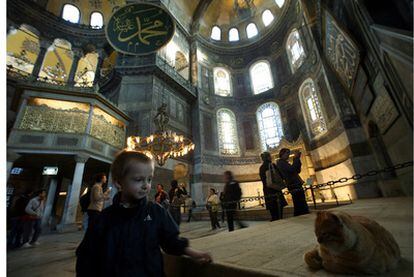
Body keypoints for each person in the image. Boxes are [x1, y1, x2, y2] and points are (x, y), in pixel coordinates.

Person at [76, 150, 212, 276]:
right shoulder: (103, 219)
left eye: (149, 179)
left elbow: (171, 241)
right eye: (138, 179)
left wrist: (194, 253)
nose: (146, 185)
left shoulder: (157, 212)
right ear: (118, 182)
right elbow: (86, 260)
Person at [276, 148, 309, 216]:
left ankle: (302, 213)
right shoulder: (281, 163)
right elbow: (292, 169)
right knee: (298, 201)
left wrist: (297, 159)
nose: (288, 155)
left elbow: (297, 171)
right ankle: (300, 214)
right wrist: (296, 158)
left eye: (289, 153)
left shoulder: (284, 162)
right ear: (282, 154)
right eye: (287, 153)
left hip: (294, 183)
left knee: (300, 200)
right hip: (293, 184)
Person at [259, 152, 288, 221]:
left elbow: (263, 179)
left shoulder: (261, 167)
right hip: (275, 188)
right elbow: (281, 175)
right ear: (268, 157)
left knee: (272, 207)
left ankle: (274, 219)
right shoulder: (272, 165)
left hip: (267, 189)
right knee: (278, 206)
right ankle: (279, 219)